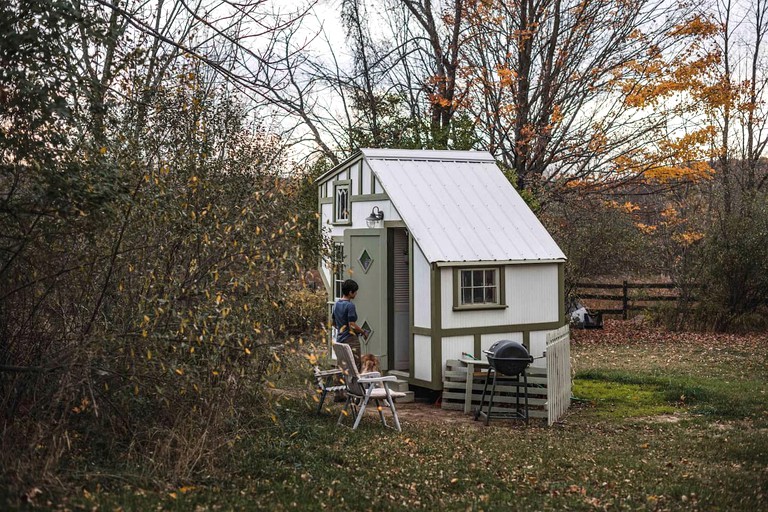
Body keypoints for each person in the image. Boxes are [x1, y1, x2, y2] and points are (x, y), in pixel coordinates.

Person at [333, 279, 366, 369]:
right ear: (350, 292)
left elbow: (334, 323)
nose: (356, 294)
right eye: (355, 292)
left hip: (340, 339)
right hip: (351, 340)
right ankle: (355, 383)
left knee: (343, 366)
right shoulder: (350, 305)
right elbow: (351, 324)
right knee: (355, 365)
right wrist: (363, 332)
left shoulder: (336, 305)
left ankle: (341, 382)